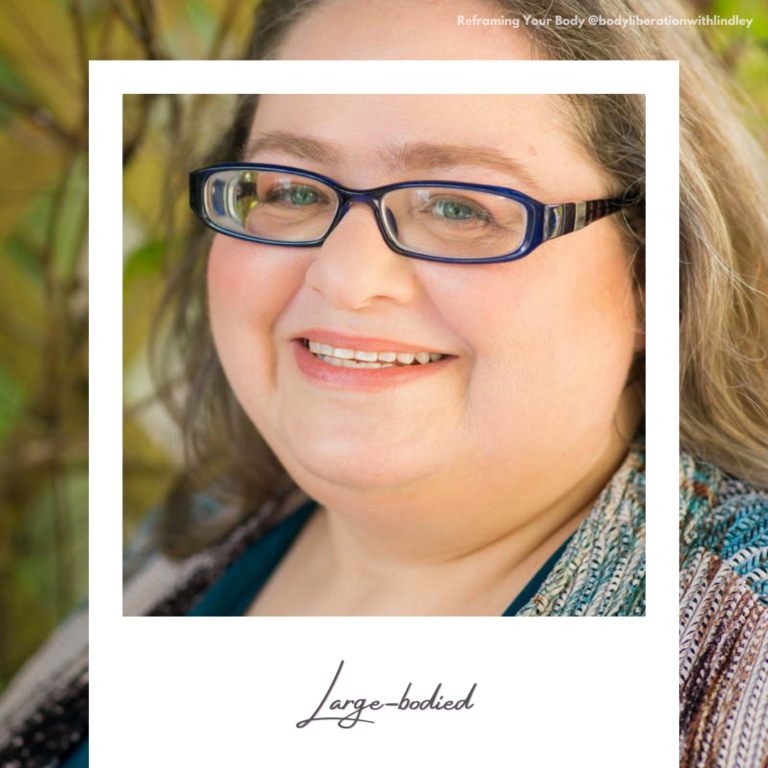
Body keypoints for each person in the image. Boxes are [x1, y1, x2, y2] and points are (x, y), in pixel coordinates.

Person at [1, 1, 765, 766]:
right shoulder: (191, 538)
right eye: (291, 189)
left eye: (459, 206)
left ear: (656, 270)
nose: (344, 277)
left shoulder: (743, 656)